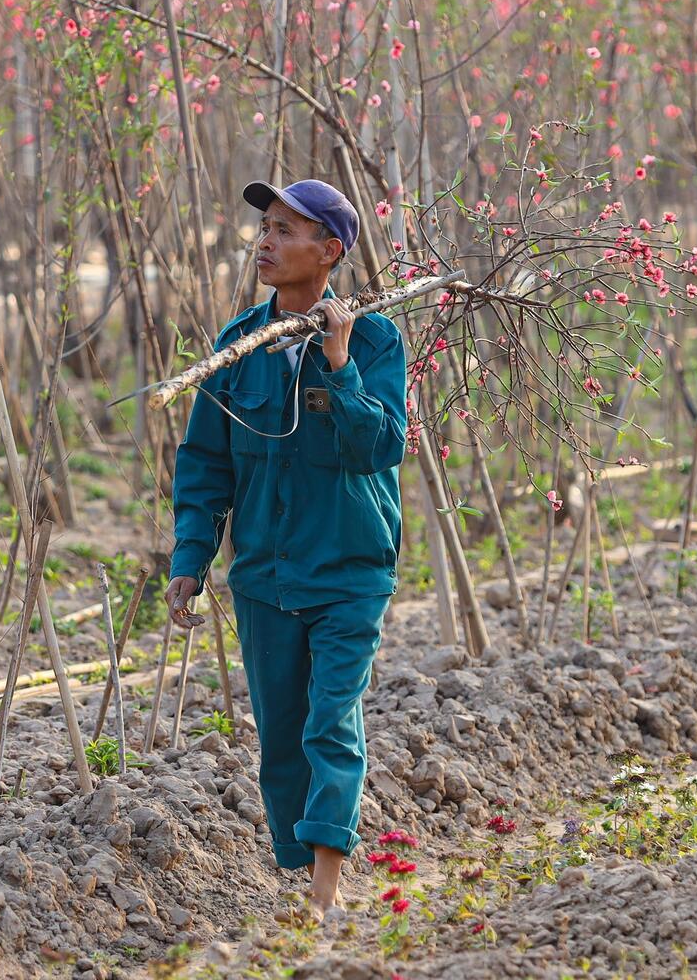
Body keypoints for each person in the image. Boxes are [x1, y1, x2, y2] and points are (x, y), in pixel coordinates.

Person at [164, 178, 408, 919]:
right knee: (280, 737)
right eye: (263, 228)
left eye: (284, 230)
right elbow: (206, 463)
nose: (264, 242)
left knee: (330, 719)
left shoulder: (373, 340)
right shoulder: (237, 347)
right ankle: (304, 869)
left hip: (349, 570)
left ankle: (326, 896)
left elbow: (381, 447)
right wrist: (190, 558)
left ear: (329, 252)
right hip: (264, 573)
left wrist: (339, 366)